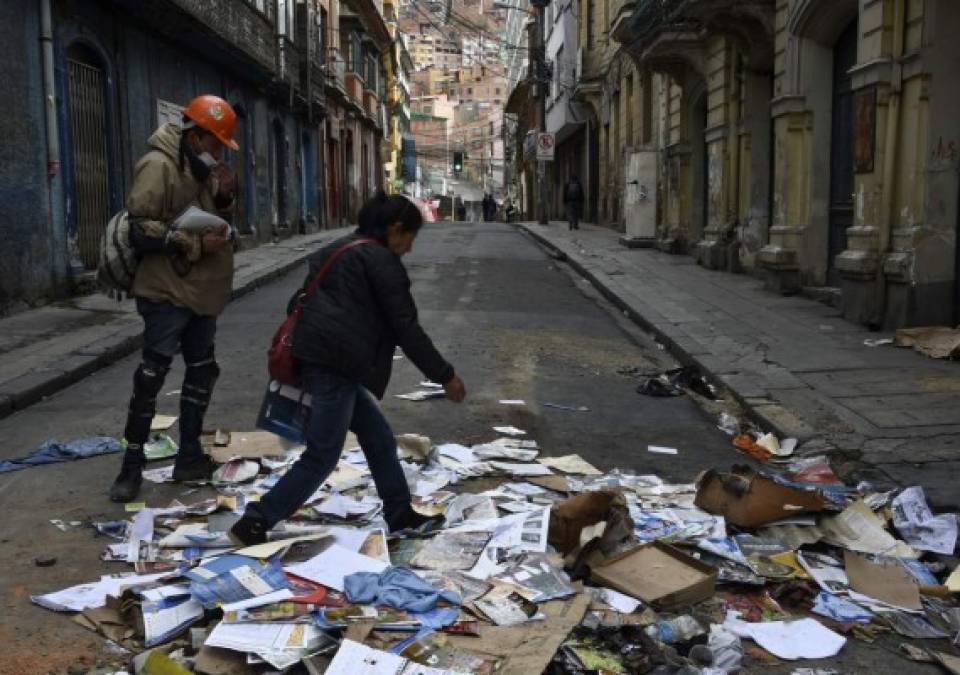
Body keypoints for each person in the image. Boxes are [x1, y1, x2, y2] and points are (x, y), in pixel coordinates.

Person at [229, 193, 467, 545]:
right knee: (323, 454)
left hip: (324, 360)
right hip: (334, 366)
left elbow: (299, 300)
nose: (409, 248)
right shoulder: (382, 262)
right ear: (395, 228)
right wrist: (445, 375)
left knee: (378, 437)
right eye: (409, 238)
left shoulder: (339, 247)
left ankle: (399, 514)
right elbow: (406, 328)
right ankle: (255, 520)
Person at [108, 95, 239, 503]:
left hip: (202, 292)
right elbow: (140, 230)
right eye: (216, 143)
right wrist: (196, 244)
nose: (219, 152)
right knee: (152, 376)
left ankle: (188, 456)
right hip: (166, 290)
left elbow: (214, 214)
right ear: (195, 136)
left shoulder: (203, 170)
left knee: (203, 369)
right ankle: (130, 468)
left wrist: (223, 199)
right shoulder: (158, 165)